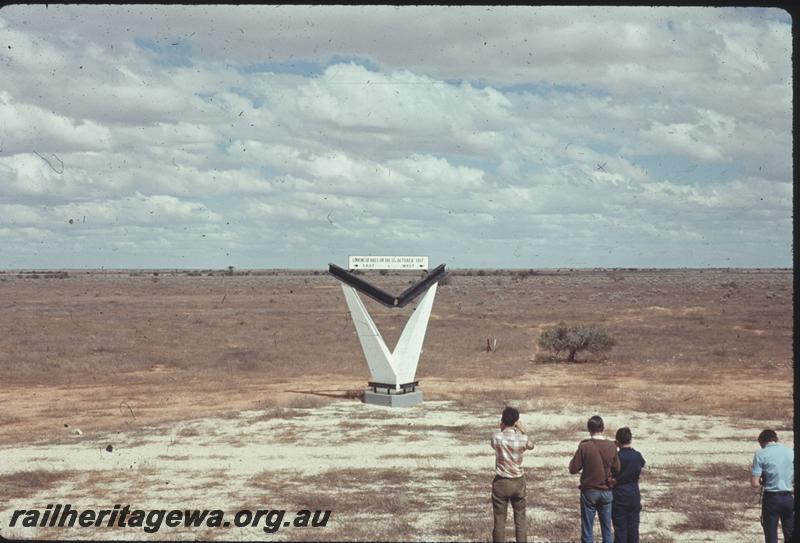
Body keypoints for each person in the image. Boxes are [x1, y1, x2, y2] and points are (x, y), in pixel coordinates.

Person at [569, 415, 620, 543]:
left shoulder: (584, 446)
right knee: (607, 529)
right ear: (603, 428)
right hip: (607, 490)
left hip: (589, 491)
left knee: (587, 529)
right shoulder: (611, 446)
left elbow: (573, 469)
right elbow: (617, 469)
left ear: (589, 429)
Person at [490, 406, 535, 542]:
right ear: (516, 421)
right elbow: (531, 445)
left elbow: (494, 443)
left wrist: (502, 428)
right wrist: (523, 430)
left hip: (501, 481)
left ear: (503, 420)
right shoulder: (522, 439)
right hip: (518, 482)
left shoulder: (496, 437)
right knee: (520, 520)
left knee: (499, 521)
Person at [751, 429, 794, 543]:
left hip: (771, 498)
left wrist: (762, 480)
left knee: (771, 534)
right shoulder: (790, 451)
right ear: (775, 439)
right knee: (790, 533)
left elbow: (754, 483)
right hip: (789, 497)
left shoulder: (761, 453)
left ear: (762, 441)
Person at [611, 427, 645, 543]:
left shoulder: (617, 457)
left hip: (619, 494)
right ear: (630, 439)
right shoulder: (637, 455)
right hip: (634, 494)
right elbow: (642, 464)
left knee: (620, 530)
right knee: (633, 529)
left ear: (617, 441)